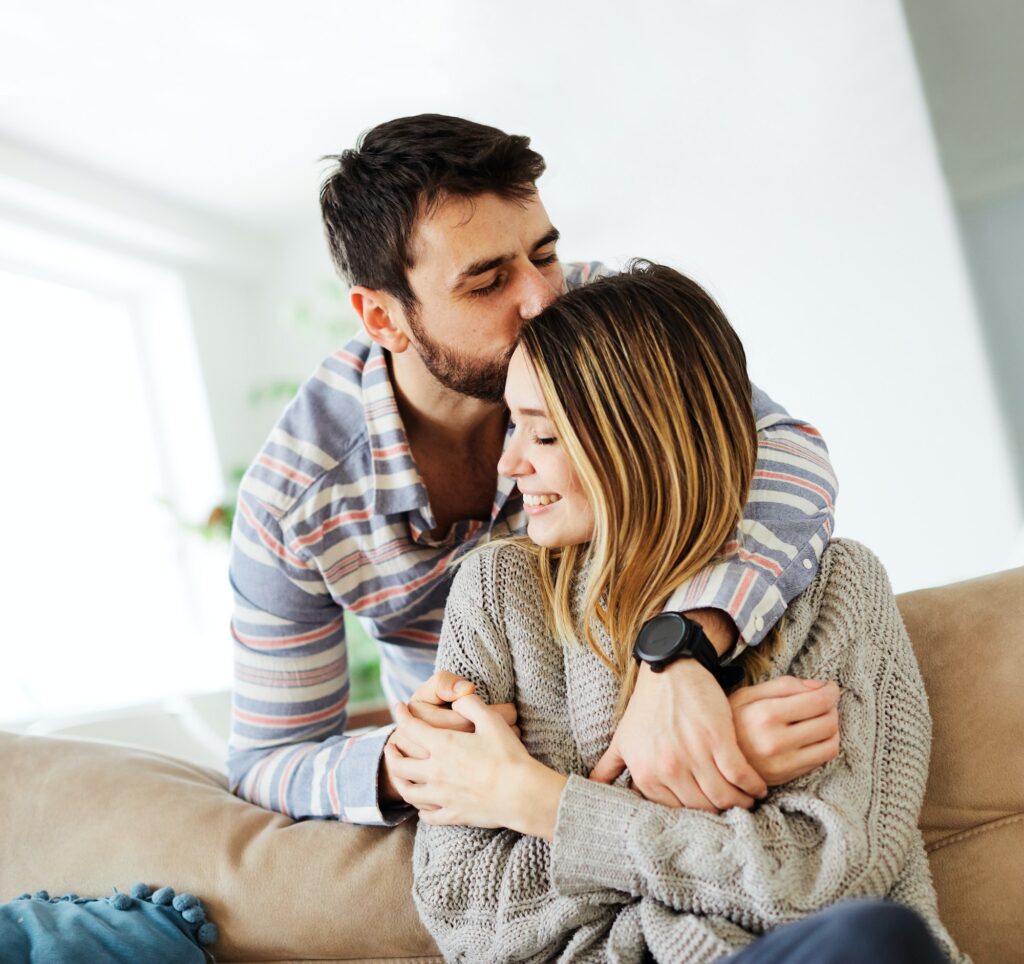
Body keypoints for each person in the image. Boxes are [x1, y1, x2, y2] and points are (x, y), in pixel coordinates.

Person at [227, 114, 838, 826]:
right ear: (383, 317)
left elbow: (785, 450)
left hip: (681, 722)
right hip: (502, 796)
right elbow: (265, 759)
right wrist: (406, 763)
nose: (542, 299)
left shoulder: (595, 316)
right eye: (486, 281)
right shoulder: (295, 500)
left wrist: (682, 649)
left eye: (543, 254)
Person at [398, 262, 961, 963]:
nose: (510, 464)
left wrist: (536, 801)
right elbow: (465, 911)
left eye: (543, 437)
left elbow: (823, 878)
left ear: (640, 438)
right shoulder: (495, 594)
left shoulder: (839, 588)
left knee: (874, 942)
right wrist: (705, 784)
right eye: (513, 426)